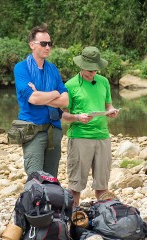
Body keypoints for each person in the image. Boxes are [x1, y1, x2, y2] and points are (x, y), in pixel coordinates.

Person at [62, 46, 119, 206]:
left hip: (103, 137)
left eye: (95, 70)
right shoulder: (70, 85)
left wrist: (111, 111)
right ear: (81, 65)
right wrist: (77, 117)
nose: (92, 73)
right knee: (75, 187)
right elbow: (63, 115)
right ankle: (73, 221)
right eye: (89, 70)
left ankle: (105, 220)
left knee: (102, 186)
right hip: (80, 137)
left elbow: (108, 105)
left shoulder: (104, 82)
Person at [14, 24, 68, 177]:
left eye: (50, 43)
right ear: (32, 45)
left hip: (54, 130)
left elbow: (65, 101)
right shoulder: (21, 68)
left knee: (52, 180)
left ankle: (50, 202)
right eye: (43, 43)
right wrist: (55, 93)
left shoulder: (53, 69)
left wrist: (42, 94)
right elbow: (33, 98)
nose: (48, 47)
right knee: (35, 180)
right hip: (32, 131)